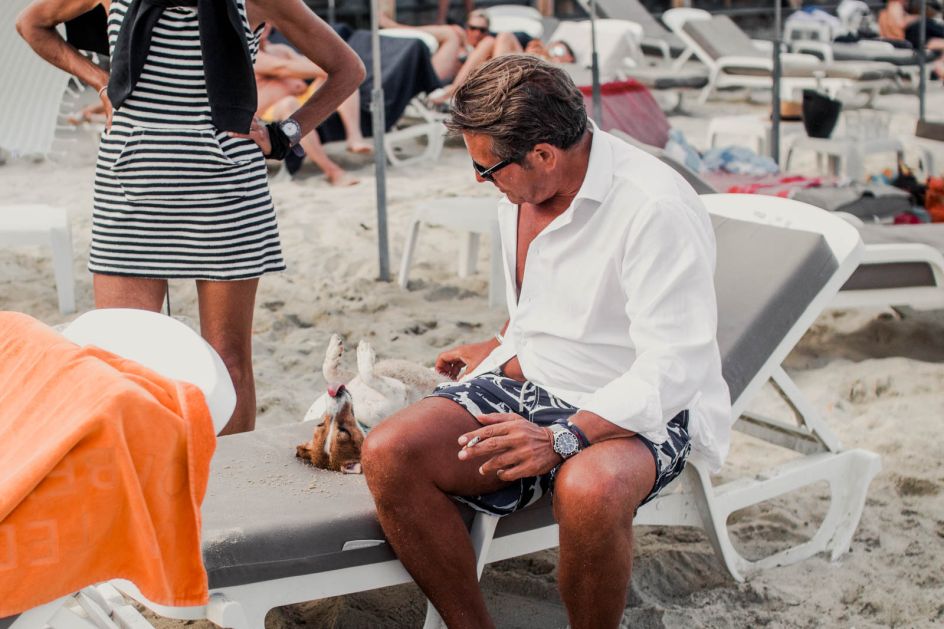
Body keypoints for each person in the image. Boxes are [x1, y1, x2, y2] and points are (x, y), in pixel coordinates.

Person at [361, 55, 731, 628]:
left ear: (543, 154)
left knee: (590, 489)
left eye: (486, 168)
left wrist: (565, 436)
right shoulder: (530, 189)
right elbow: (556, 300)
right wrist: (503, 342)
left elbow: (675, 366)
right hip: (533, 379)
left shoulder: (653, 207)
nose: (480, 180)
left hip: (633, 405)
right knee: (391, 452)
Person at [16, 0, 365, 434]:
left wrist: (284, 134)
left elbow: (347, 69)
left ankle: (233, 472)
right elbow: (32, 25)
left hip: (225, 192)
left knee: (227, 361)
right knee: (122, 356)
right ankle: (148, 471)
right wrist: (103, 83)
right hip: (129, 185)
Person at [254, 26, 369, 186]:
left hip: (300, 99)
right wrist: (337, 69)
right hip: (270, 111)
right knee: (290, 104)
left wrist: (337, 72)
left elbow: (307, 65)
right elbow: (281, 68)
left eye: (267, 22)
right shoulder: (251, 54)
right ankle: (332, 172)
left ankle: (354, 136)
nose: (265, 26)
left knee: (343, 82)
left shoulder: (280, 49)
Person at [878, 0, 944, 78]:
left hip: (904, 41)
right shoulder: (894, 5)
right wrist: (917, 18)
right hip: (903, 43)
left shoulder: (892, 8)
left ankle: (939, 69)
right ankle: (939, 70)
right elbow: (900, 24)